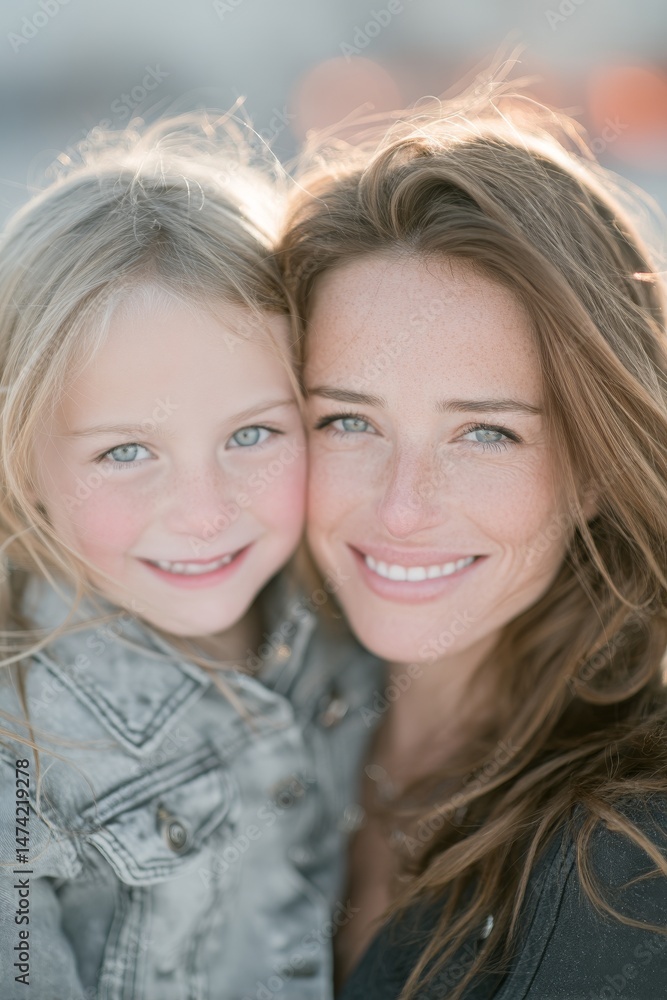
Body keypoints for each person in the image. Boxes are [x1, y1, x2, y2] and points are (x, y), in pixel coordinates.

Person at [278, 64, 667, 999]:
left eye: (485, 432)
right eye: (348, 421)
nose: (402, 507)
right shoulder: (240, 726)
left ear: (593, 468)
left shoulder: (632, 867)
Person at [0, 115, 382, 1000]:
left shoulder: (350, 630)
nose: (205, 513)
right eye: (126, 451)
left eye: (252, 434)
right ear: (24, 463)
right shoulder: (23, 754)